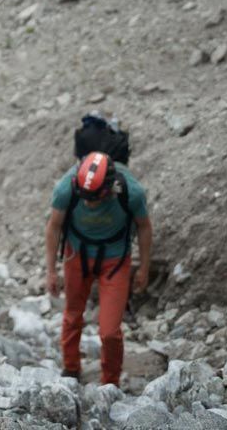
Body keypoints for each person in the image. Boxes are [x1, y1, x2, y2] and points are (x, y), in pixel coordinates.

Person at [45, 150, 153, 387]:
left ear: (108, 190)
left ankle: (110, 383)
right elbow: (54, 226)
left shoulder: (131, 192)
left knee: (110, 331)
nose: (87, 202)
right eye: (84, 196)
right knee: (73, 315)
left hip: (115, 261)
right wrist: (51, 271)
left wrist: (144, 268)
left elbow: (144, 227)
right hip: (77, 257)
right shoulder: (66, 189)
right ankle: (71, 369)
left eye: (93, 198)